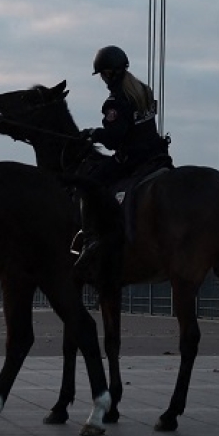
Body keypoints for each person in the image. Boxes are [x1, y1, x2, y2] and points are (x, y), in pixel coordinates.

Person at [74, 46, 172, 274]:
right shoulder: (142, 91)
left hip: (132, 159)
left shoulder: (116, 101)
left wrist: (92, 134)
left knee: (89, 184)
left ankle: (90, 241)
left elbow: (114, 139)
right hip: (157, 155)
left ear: (108, 74)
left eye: (102, 75)